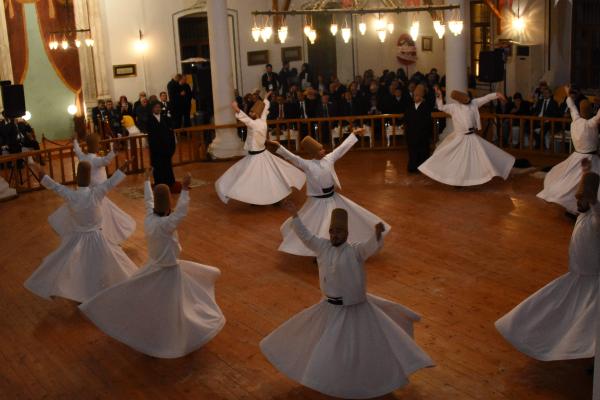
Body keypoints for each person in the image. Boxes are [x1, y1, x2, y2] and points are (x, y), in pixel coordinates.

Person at [261, 201, 434, 398]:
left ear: (347, 234)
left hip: (356, 310)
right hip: (329, 310)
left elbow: (370, 247)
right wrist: (295, 217)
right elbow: (306, 236)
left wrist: (376, 236)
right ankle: (331, 379)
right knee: (326, 346)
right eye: (332, 231)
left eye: (339, 232)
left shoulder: (355, 251)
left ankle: (363, 380)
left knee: (359, 349)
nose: (335, 235)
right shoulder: (322, 247)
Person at [79, 169, 225, 358]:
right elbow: (181, 212)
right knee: (176, 304)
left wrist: (147, 182)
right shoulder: (167, 224)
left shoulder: (149, 218)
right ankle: (173, 334)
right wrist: (186, 190)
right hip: (169, 272)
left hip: (153, 266)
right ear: (168, 204)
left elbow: (148, 202)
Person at [496, 160, 600, 361]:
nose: (579, 204)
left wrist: (591, 194)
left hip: (589, 269)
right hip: (585, 269)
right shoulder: (588, 217)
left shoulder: (592, 217)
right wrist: (587, 177)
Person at [25, 160, 137, 302]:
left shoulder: (71, 195)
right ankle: (99, 287)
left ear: (77, 177)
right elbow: (111, 182)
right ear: (90, 178)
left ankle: (79, 290)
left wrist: (37, 167)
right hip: (97, 237)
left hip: (77, 238)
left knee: (74, 265)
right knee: (104, 263)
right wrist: (123, 168)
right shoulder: (96, 193)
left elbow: (52, 184)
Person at [268, 129, 391, 257]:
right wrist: (279, 147)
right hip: (317, 202)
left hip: (332, 198)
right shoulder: (307, 165)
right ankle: (320, 251)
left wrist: (353, 135)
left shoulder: (329, 159)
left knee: (332, 222)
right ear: (314, 153)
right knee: (320, 225)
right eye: (320, 150)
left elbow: (342, 148)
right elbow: (292, 158)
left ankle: (333, 248)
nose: (324, 151)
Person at [215, 93, 305, 205]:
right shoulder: (263, 120)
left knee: (247, 176)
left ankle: (260, 197)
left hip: (256, 156)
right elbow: (265, 109)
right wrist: (266, 98)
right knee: (259, 177)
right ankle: (260, 197)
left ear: (256, 113)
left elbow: (246, 120)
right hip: (259, 154)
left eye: (252, 112)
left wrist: (236, 108)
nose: (250, 113)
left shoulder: (254, 124)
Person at [48, 134, 136, 245]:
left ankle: (108, 238)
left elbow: (78, 151)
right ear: (94, 146)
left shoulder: (83, 157)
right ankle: (108, 239)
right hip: (97, 196)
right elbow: (106, 161)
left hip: (91, 195)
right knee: (106, 219)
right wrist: (113, 152)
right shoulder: (95, 160)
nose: (99, 146)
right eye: (98, 144)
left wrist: (75, 141)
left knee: (105, 218)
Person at [418, 87, 515, 186]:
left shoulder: (474, 103)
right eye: (465, 99)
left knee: (482, 156)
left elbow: (486, 98)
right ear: (460, 100)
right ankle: (453, 179)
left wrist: (496, 95)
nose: (467, 100)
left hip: (472, 137)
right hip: (459, 138)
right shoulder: (454, 107)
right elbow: (441, 107)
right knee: (453, 158)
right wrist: (439, 95)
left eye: (468, 98)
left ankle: (479, 175)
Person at [537, 85, 600, 215]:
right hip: (590, 159)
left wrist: (567, 92)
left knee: (570, 182)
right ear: (589, 111)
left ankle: (575, 207)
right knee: (583, 183)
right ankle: (580, 207)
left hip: (576, 157)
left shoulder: (576, 120)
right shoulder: (591, 123)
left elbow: (571, 105)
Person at [147, 100, 177, 190]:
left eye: (159, 107)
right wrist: (155, 148)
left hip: (166, 148)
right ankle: (159, 184)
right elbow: (151, 136)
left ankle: (169, 183)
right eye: (156, 107)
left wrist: (171, 146)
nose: (158, 108)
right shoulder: (149, 120)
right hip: (156, 149)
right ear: (152, 109)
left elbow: (170, 133)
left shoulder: (166, 119)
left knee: (167, 166)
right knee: (158, 167)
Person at [403, 84, 433, 173]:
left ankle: (423, 168)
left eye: (417, 95)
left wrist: (426, 134)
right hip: (411, 134)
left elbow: (428, 122)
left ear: (421, 96)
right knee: (412, 152)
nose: (415, 97)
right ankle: (412, 167)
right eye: (414, 95)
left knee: (422, 151)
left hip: (422, 135)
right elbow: (406, 120)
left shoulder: (426, 107)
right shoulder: (409, 107)